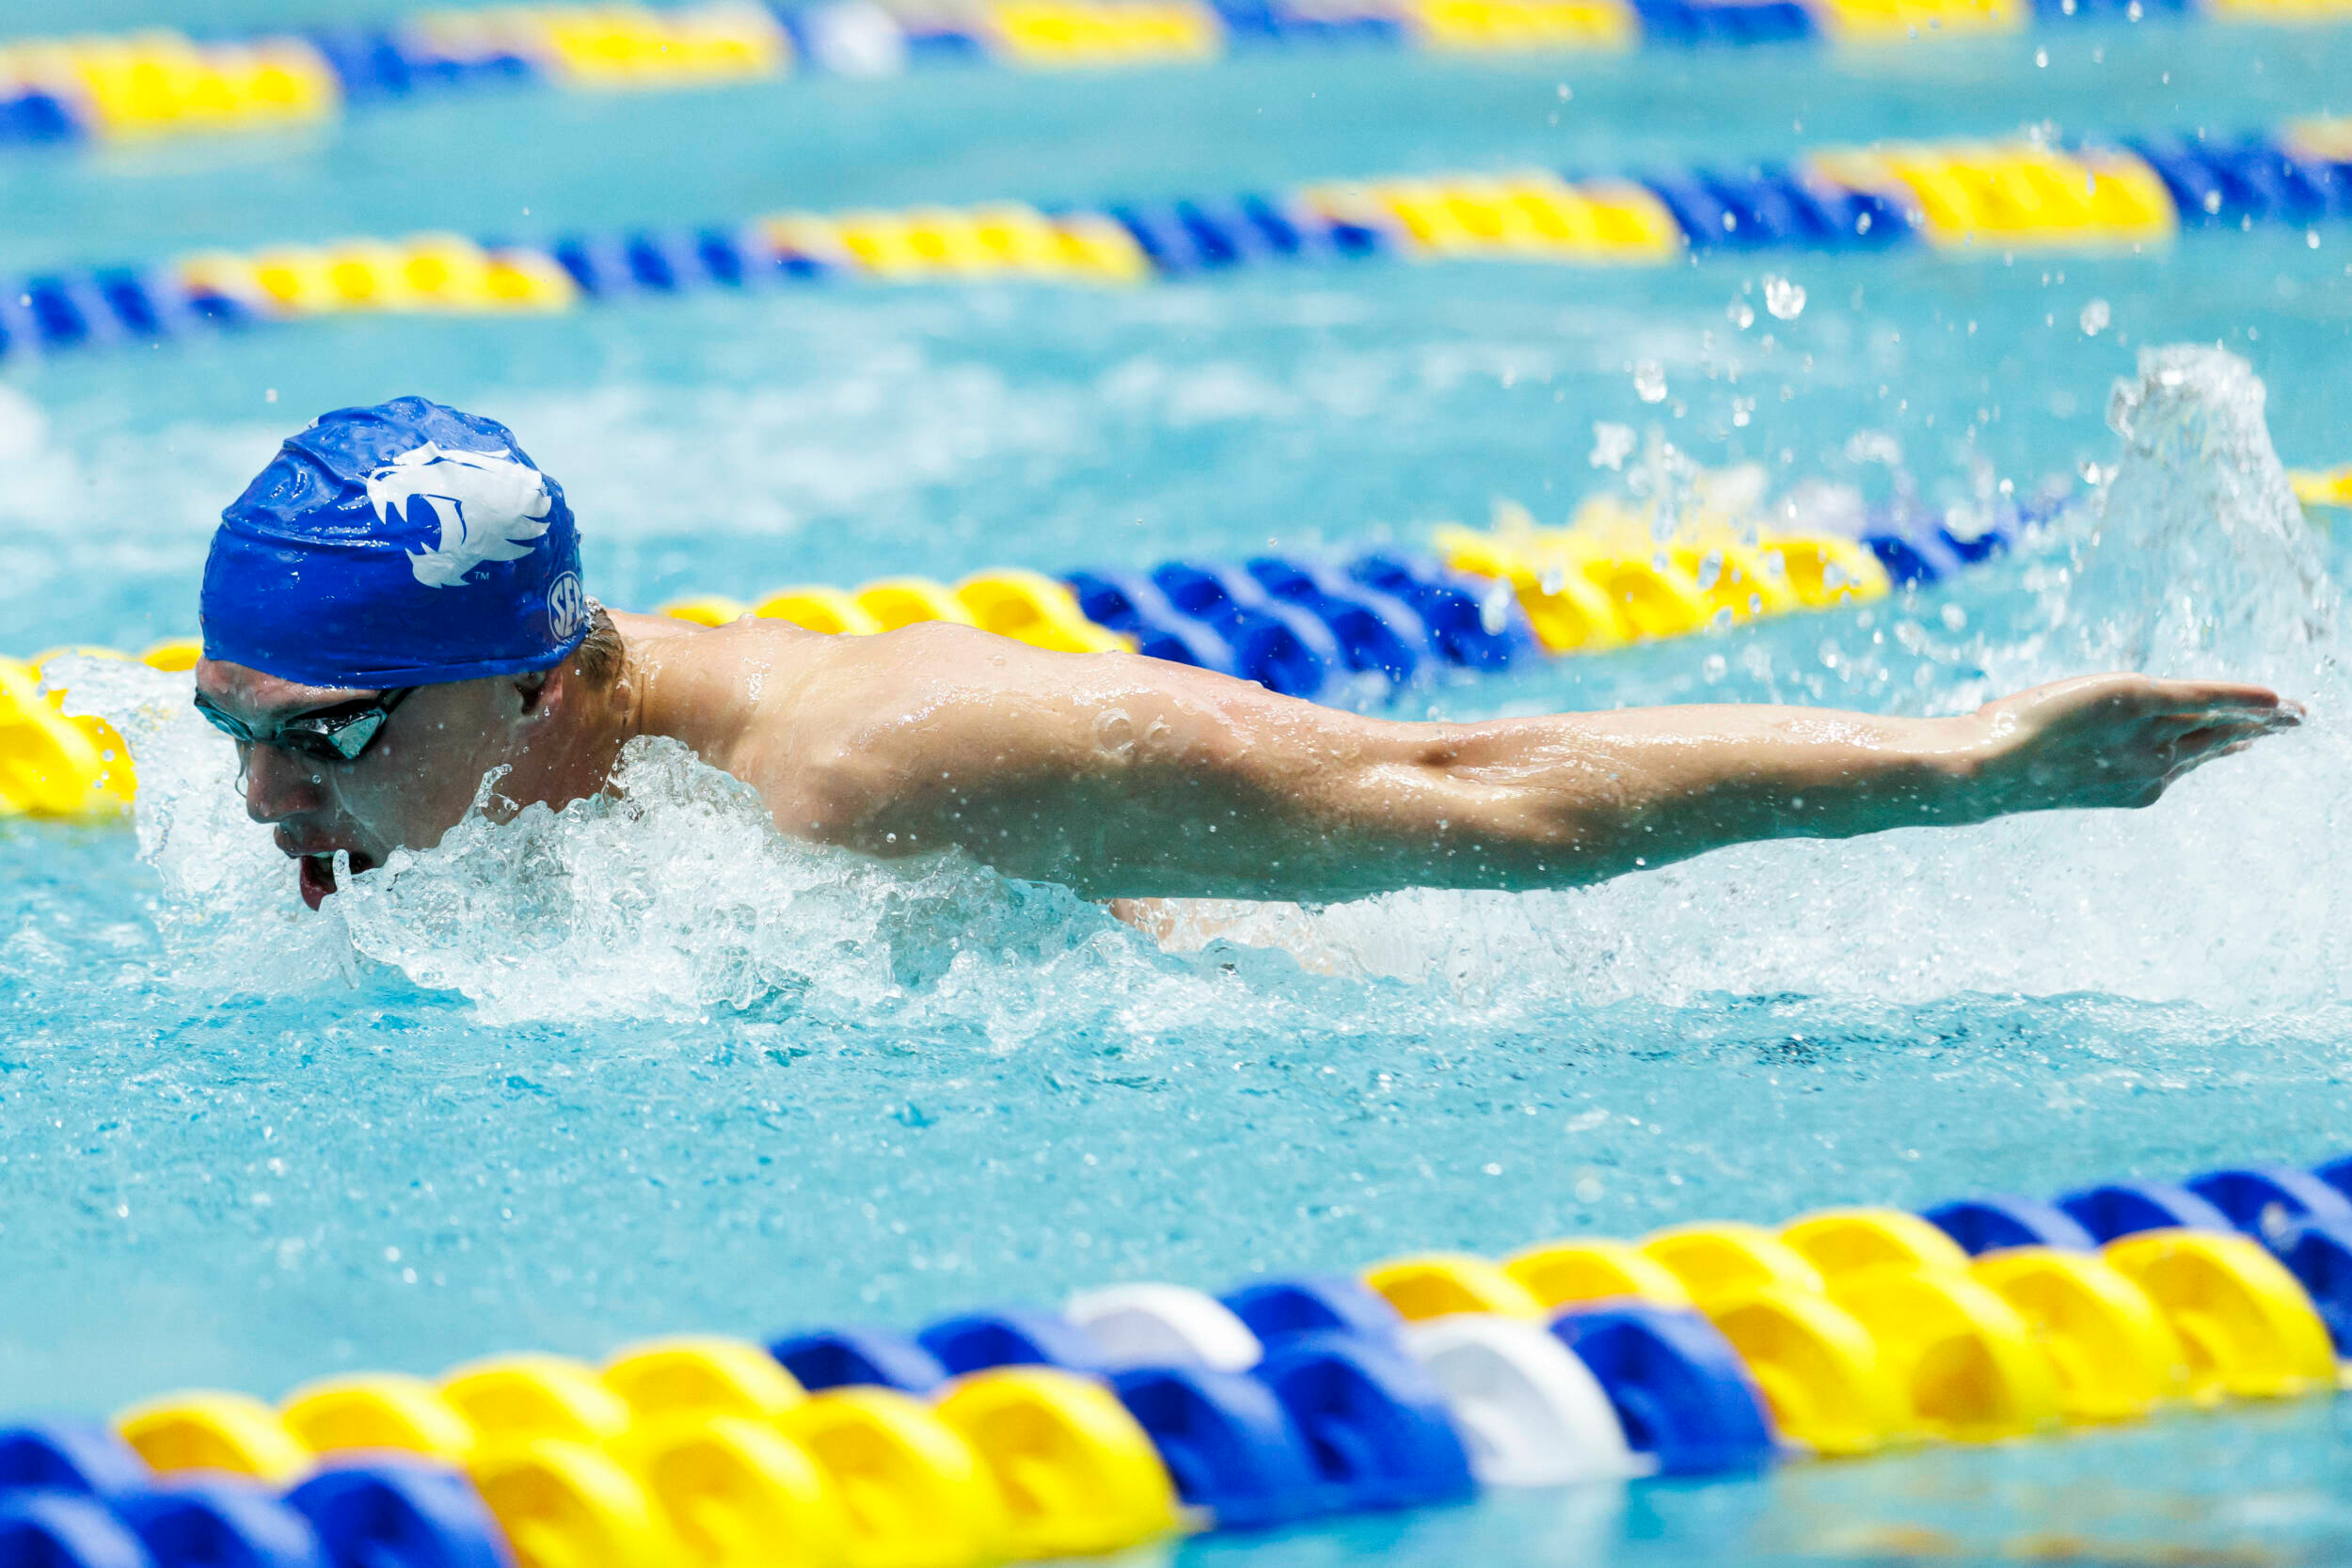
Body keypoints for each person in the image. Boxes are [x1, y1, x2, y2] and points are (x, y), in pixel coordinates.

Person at [193, 398, 2299, 914]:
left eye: (331, 738)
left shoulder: (883, 763)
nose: (265, 797)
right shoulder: (478, 787)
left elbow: (1465, 794)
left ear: (549, 681)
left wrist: (1965, 762)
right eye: (241, 732)